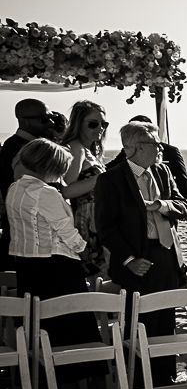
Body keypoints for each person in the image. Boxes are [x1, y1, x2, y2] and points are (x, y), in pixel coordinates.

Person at [97, 123, 187, 387]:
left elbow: (182, 206)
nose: (161, 148)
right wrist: (129, 260)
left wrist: (161, 205)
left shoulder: (163, 171)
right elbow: (106, 228)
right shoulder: (111, 179)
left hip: (166, 254)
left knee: (166, 318)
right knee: (140, 321)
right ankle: (139, 383)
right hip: (136, 259)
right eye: (155, 144)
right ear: (138, 147)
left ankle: (164, 378)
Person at [6, 139, 102, 389]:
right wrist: (87, 256)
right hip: (56, 266)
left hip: (27, 264)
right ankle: (72, 384)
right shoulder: (45, 193)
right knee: (69, 324)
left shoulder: (15, 188)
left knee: (39, 323)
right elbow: (66, 232)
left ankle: (42, 384)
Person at [2, 99, 60, 264]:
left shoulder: (33, 146)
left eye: (51, 117)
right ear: (24, 121)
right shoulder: (17, 148)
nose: (50, 122)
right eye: (43, 118)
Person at [61, 101, 110, 280]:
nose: (100, 128)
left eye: (104, 124)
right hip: (85, 222)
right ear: (77, 123)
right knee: (92, 275)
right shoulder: (75, 148)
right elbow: (66, 190)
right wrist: (100, 179)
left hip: (97, 218)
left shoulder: (90, 151)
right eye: (93, 124)